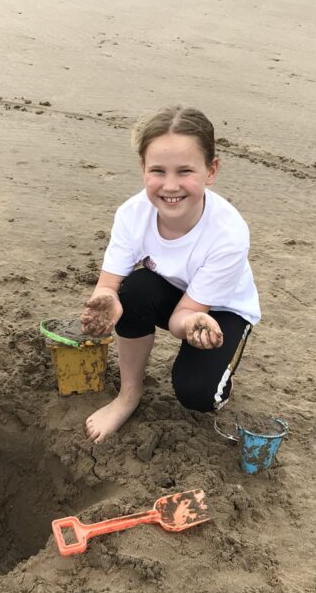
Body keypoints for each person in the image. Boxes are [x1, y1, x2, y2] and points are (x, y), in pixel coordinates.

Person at [79, 105, 260, 443]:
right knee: (133, 290)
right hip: (174, 294)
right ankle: (129, 394)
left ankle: (221, 373)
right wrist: (107, 300)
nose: (171, 185)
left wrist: (191, 325)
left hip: (221, 311)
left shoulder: (229, 234)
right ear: (142, 169)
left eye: (185, 171)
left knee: (199, 396)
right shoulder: (132, 214)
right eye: (158, 171)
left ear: (211, 170)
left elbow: (185, 316)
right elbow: (108, 284)